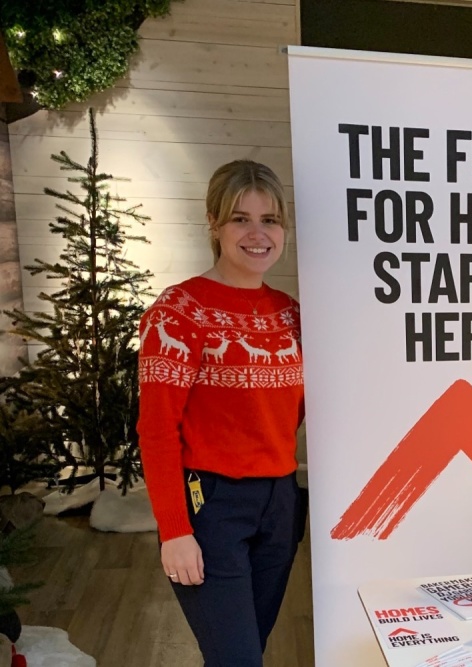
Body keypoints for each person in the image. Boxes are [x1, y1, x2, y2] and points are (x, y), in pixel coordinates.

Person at [137, 160, 305, 666]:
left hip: (280, 501)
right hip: (211, 505)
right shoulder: (176, 312)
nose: (258, 234)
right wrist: (174, 529)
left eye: (270, 220)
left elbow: (292, 413)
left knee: (246, 649)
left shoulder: (292, 312)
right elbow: (157, 429)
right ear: (213, 223)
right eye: (240, 218)